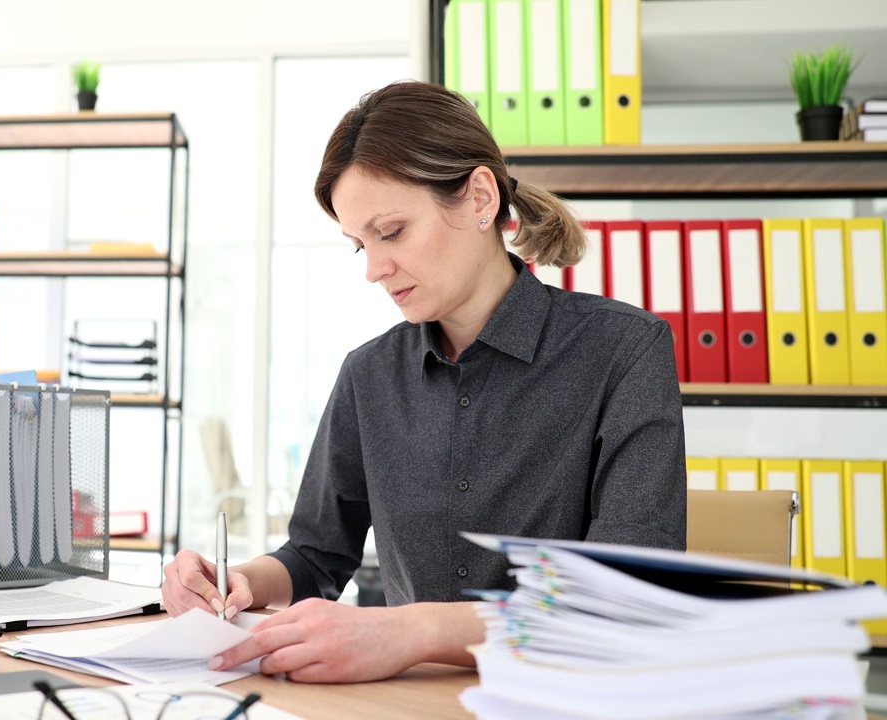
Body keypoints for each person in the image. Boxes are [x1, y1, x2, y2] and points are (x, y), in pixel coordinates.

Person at [162, 80, 686, 684]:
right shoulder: (368, 374)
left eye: (392, 232)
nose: (373, 269)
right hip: (401, 703)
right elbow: (315, 556)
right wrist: (243, 583)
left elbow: (625, 598)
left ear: (479, 198)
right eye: (358, 245)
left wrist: (410, 631)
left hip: (568, 697)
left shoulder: (624, 352)